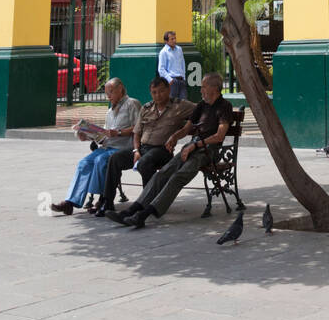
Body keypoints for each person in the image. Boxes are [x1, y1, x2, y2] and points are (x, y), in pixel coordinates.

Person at [107, 72, 233, 229]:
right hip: (192, 147)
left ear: (214, 88)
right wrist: (174, 137)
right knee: (163, 173)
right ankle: (131, 211)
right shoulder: (202, 105)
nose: (201, 90)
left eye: (204, 87)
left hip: (208, 151)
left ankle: (144, 215)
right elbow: (187, 129)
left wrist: (195, 145)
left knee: (178, 177)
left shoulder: (224, 106)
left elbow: (219, 136)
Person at [95, 76, 195, 217]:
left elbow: (200, 110)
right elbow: (136, 133)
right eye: (154, 92)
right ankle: (107, 202)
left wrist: (181, 132)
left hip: (162, 150)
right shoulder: (147, 108)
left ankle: (146, 202)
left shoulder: (179, 105)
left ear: (168, 90)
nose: (158, 95)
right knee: (115, 158)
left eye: (161, 91)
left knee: (145, 162)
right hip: (142, 148)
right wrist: (136, 150)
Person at [50, 78, 141, 215]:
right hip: (107, 147)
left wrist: (119, 132)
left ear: (120, 89)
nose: (108, 96)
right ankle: (71, 202)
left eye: (111, 92)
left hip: (123, 149)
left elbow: (139, 128)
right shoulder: (109, 112)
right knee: (84, 163)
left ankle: (103, 199)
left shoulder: (131, 104)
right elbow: (103, 135)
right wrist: (87, 136)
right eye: (106, 93)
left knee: (101, 161)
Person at [158, 30, 187, 101]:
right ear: (166, 41)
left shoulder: (179, 49)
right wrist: (170, 80)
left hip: (181, 80)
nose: (174, 40)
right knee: (172, 104)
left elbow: (182, 63)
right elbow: (161, 69)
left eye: (175, 38)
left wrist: (183, 77)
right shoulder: (163, 52)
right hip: (172, 81)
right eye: (172, 39)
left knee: (184, 103)